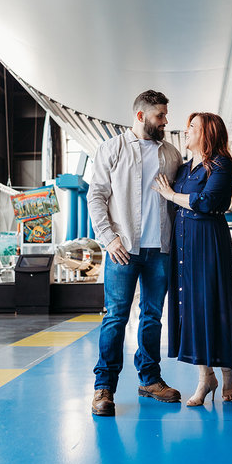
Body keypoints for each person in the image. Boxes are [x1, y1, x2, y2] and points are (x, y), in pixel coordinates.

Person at [87, 90, 183, 416]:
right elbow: (96, 196)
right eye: (160, 116)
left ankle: (150, 380)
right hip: (123, 249)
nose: (166, 121)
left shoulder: (171, 154)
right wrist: (108, 239)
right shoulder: (111, 149)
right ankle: (104, 388)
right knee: (115, 316)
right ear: (141, 116)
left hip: (160, 250)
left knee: (152, 317)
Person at [153, 112, 232, 406]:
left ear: (208, 133)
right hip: (183, 243)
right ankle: (206, 377)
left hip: (208, 242)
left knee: (212, 303)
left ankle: (226, 370)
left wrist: (169, 195)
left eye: (193, 127)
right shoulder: (182, 168)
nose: (186, 130)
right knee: (189, 306)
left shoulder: (220, 164)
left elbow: (204, 202)